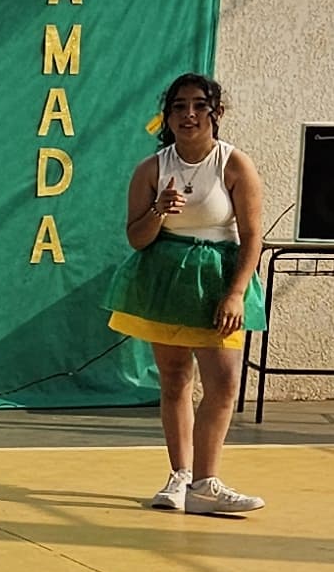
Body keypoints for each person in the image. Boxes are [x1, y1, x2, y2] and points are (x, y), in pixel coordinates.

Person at [107, 72, 268, 516]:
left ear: (215, 113)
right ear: (168, 115)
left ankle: (206, 480)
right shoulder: (151, 169)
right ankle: (179, 477)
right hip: (166, 278)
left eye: (199, 105)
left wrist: (236, 293)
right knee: (175, 378)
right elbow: (137, 238)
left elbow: (253, 236)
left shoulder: (235, 165)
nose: (189, 114)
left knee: (223, 382)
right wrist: (158, 211)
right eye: (179, 106)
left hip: (218, 276)